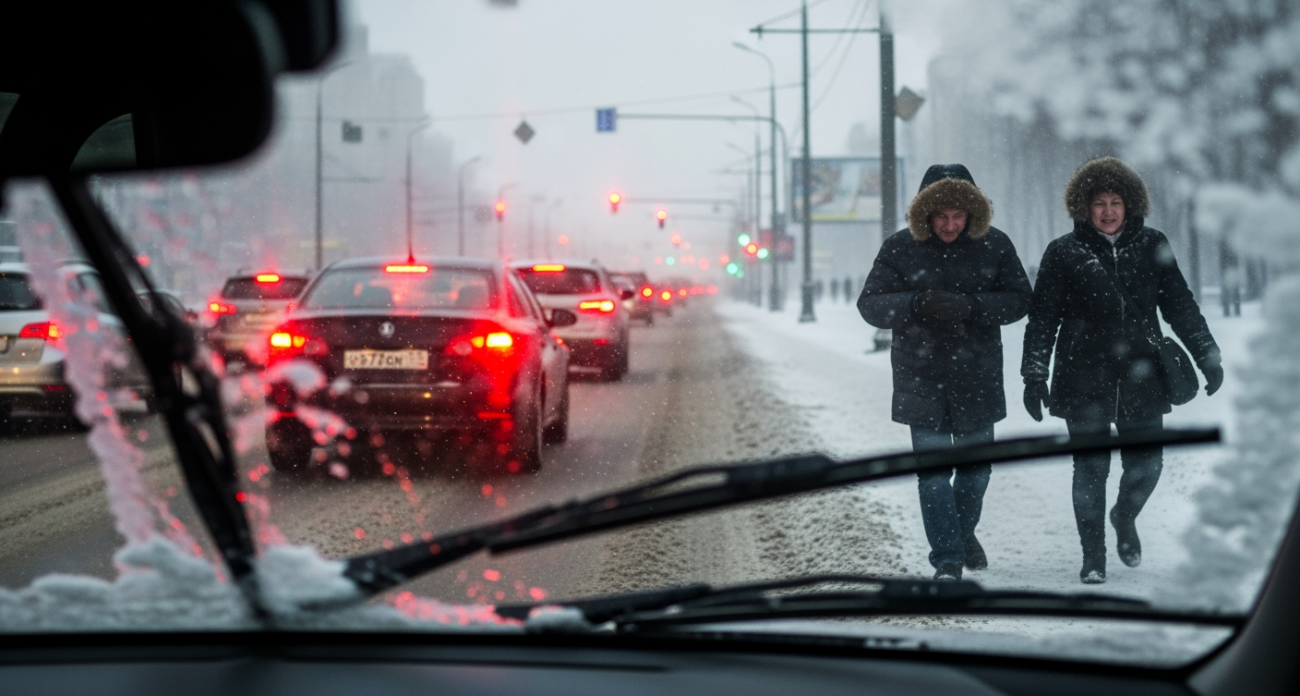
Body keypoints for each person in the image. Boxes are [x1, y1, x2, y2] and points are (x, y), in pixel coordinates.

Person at [1022, 156, 1223, 584]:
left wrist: (1208, 355)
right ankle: (1093, 557)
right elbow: (1042, 320)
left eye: (1116, 201)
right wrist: (1034, 375)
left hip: (1143, 374)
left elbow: (1180, 306)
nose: (1108, 211)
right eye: (1099, 202)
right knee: (1090, 469)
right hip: (1082, 377)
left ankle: (1123, 515)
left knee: (1147, 465)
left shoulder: (1153, 244)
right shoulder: (1063, 253)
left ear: (1129, 205)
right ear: (1084, 207)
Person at [858, 164, 1032, 580]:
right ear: (926, 214)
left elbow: (1020, 298)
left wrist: (974, 307)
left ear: (972, 213)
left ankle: (959, 532)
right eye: (941, 216)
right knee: (934, 475)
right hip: (921, 375)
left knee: (976, 471)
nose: (950, 225)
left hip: (978, 375)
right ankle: (948, 561)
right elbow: (870, 305)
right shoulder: (900, 247)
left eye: (958, 216)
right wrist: (916, 303)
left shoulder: (996, 246)